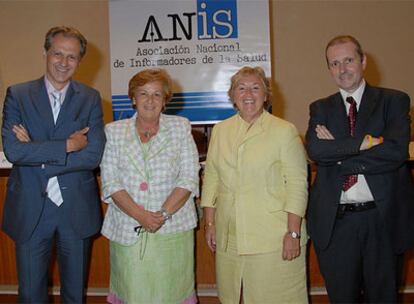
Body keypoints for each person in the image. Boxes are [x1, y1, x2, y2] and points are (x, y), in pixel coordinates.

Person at [305, 35, 414, 303]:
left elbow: (396, 152)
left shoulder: (393, 101)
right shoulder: (320, 108)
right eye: (334, 63)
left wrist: (339, 154)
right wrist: (366, 143)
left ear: (363, 61)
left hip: (382, 220)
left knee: (383, 298)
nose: (342, 69)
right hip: (336, 223)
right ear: (329, 68)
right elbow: (317, 151)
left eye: (349, 60)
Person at [1, 26, 105, 303]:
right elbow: (13, 151)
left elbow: (93, 155)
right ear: (45, 53)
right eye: (57, 53)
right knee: (31, 295)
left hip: (76, 210)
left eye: (72, 57)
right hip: (31, 210)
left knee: (75, 295)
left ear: (79, 61)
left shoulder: (91, 98)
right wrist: (67, 146)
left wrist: (35, 153)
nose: (63, 62)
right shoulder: (18, 95)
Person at [201, 66, 309, 303]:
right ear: (232, 96)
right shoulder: (220, 131)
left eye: (255, 87)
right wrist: (210, 223)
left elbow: (297, 184)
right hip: (230, 236)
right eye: (241, 88)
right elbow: (211, 178)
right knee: (231, 296)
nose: (248, 94)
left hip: (273, 236)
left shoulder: (284, 131)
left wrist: (293, 232)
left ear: (266, 94)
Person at [100, 68, 200, 304]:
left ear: (165, 100)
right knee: (133, 293)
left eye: (157, 94)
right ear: (133, 98)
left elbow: (188, 177)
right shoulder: (114, 131)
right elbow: (111, 181)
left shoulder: (180, 127)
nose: (150, 100)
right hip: (128, 228)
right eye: (143, 93)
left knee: (172, 293)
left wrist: (162, 214)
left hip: (173, 228)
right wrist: (140, 215)